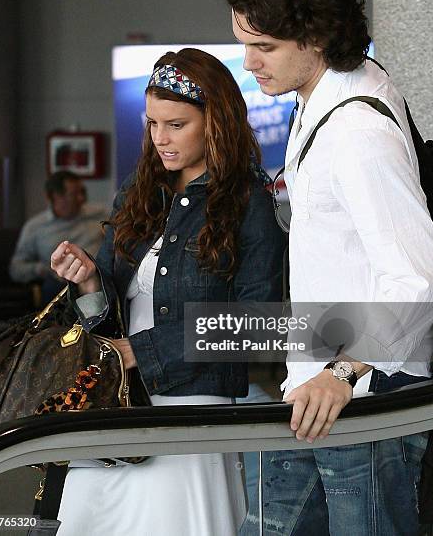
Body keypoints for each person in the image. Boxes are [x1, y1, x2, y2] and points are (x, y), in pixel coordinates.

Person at [219, 0, 433, 536]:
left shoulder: (357, 130)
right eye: (244, 43)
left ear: (315, 36)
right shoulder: (321, 93)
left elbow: (418, 277)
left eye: (263, 47)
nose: (250, 62)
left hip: (361, 405)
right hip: (310, 389)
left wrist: (344, 372)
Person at [50, 48, 285, 536]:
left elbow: (256, 324)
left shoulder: (248, 201)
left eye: (176, 124)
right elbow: (108, 315)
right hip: (117, 400)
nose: (160, 138)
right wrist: (90, 283)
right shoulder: (139, 188)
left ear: (215, 122)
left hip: (193, 411)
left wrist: (142, 351)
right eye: (153, 123)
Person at [9, 171, 106, 304]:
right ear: (54, 197)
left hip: (100, 277)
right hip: (59, 283)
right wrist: (43, 269)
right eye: (74, 194)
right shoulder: (35, 227)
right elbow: (16, 268)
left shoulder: (100, 215)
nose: (82, 199)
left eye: (82, 192)